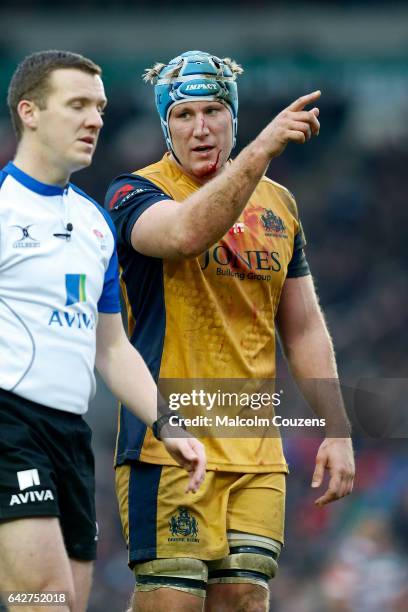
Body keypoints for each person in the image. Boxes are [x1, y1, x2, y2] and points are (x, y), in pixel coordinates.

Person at [106, 50, 355, 612]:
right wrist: (263, 149)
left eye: (213, 112)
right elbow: (186, 234)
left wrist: (336, 430)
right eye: (183, 115)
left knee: (244, 596)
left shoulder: (280, 208)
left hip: (254, 445)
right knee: (174, 602)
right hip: (165, 440)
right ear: (164, 125)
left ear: (233, 118)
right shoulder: (132, 194)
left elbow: (306, 327)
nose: (200, 129)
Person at [0, 50, 206, 612]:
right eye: (78, 105)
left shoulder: (94, 224)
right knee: (42, 597)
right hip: (9, 426)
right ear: (30, 112)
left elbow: (111, 348)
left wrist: (168, 423)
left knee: (68, 604)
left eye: (100, 107)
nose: (95, 119)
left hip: (68, 439)